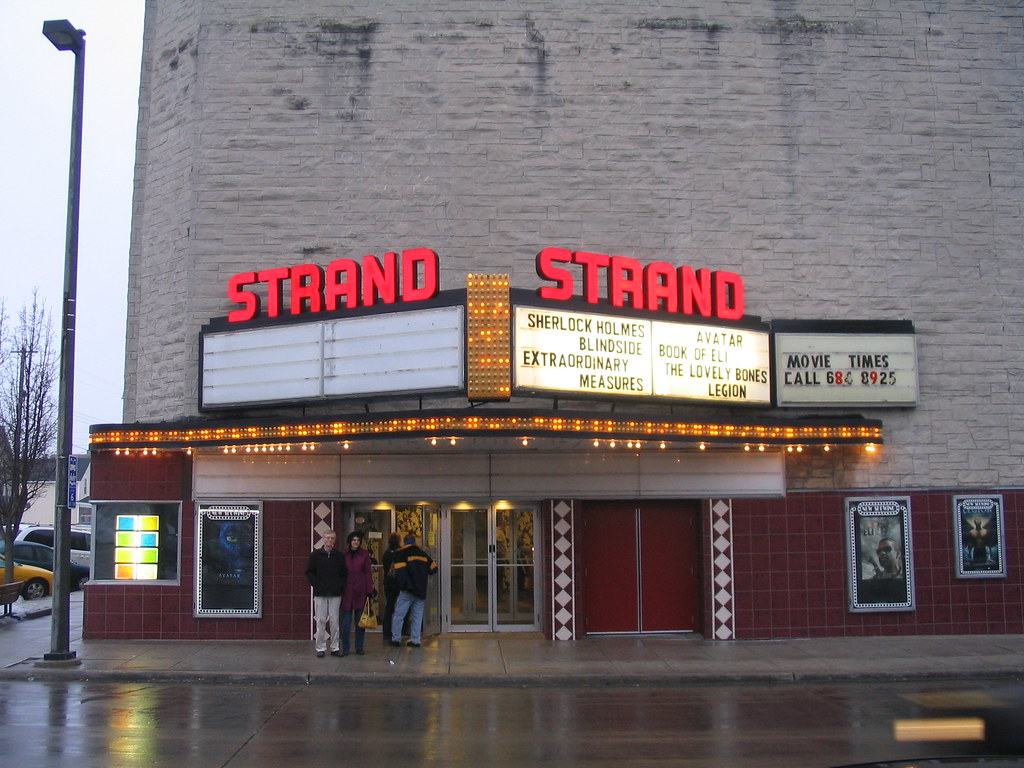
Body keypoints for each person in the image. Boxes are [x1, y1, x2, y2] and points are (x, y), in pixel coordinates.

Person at [389, 533, 437, 648]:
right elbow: (434, 568)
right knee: (417, 615)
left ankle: (396, 639)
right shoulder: (422, 554)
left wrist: (403, 586)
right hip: (420, 590)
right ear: (415, 541)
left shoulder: (401, 553)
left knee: (399, 615)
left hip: (407, 590)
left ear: (405, 542)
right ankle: (416, 640)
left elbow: (400, 572)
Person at [304, 530, 347, 658]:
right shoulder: (315, 555)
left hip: (335, 593)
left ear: (335, 540)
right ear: (323, 539)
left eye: (332, 538)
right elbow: (309, 572)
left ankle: (335, 647)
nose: (329, 540)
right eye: (327, 538)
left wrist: (339, 585)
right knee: (321, 620)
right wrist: (316, 584)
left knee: (334, 621)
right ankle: (320, 647)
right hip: (320, 593)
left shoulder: (339, 556)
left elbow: (344, 573)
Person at [340, 530, 375, 656]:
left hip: (360, 592)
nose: (356, 542)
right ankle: (345, 647)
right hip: (347, 592)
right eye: (354, 540)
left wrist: (369, 591)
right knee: (346, 623)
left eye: (358, 540)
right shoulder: (343, 555)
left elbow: (367, 573)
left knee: (360, 623)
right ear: (350, 542)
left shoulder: (364, 555)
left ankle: (359, 647)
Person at [380, 532, 402, 645]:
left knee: (389, 607)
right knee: (400, 609)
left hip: (388, 583)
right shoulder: (401, 553)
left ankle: (386, 631)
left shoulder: (386, 554)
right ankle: (399, 631)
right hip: (398, 583)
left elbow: (385, 568)